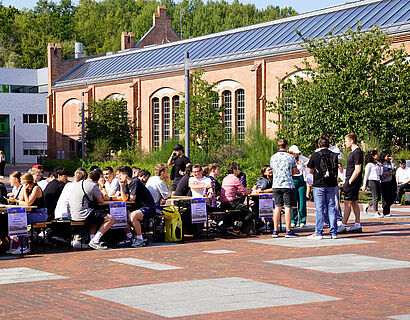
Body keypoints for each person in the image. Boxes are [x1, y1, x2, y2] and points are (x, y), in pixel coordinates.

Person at [69, 170, 114, 250]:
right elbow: (101, 200)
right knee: (110, 219)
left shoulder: (79, 183)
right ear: (96, 181)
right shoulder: (93, 185)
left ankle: (92, 239)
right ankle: (95, 241)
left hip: (73, 213)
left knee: (96, 217)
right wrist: (102, 185)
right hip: (83, 213)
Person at [307, 136, 339, 239]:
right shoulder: (334, 155)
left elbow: (310, 169)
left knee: (319, 209)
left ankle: (319, 232)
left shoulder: (315, 155)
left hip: (319, 184)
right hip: (331, 184)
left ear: (319, 145)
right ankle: (334, 233)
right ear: (329, 144)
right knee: (331, 208)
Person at [118, 165, 156, 247]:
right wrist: (121, 186)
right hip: (137, 208)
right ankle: (130, 237)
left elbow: (132, 199)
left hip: (148, 207)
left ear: (125, 175)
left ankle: (140, 239)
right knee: (121, 213)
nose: (118, 177)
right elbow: (124, 198)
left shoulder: (135, 182)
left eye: (120, 175)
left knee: (133, 216)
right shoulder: (125, 184)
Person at [270, 139, 298, 238]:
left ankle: (275, 230)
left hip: (276, 184)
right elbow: (295, 170)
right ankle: (288, 230)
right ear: (286, 146)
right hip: (287, 184)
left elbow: (272, 170)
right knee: (287, 207)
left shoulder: (273, 157)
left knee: (277, 207)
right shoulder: (290, 157)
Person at [338, 134, 363, 233]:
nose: (345, 143)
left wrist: (349, 181)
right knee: (354, 202)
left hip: (353, 181)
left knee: (347, 203)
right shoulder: (354, 152)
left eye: (346, 141)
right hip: (352, 180)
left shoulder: (357, 153)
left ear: (351, 141)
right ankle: (357, 224)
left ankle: (343, 225)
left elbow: (357, 169)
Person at [220, 162, 255, 235]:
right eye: (238, 168)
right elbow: (245, 192)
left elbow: (233, 191)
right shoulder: (235, 179)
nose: (239, 170)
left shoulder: (225, 178)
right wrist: (250, 190)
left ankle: (230, 227)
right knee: (250, 213)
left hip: (223, 203)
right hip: (231, 203)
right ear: (234, 170)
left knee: (239, 211)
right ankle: (238, 228)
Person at [289, 145, 308, 228]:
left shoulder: (301, 158)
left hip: (301, 180)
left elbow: (309, 161)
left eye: (297, 153)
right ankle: (293, 220)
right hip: (292, 179)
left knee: (302, 201)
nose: (296, 155)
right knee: (293, 201)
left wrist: (306, 165)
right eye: (294, 153)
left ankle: (302, 220)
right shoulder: (289, 158)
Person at [361, 151, 382, 217]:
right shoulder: (369, 165)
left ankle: (367, 205)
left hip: (378, 181)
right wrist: (364, 185)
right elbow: (366, 175)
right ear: (373, 156)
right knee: (375, 197)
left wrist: (381, 166)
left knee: (378, 198)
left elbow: (380, 173)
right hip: (371, 181)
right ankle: (376, 212)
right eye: (376, 155)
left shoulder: (377, 164)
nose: (378, 156)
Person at [379, 151, 397, 217]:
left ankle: (385, 206)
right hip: (384, 181)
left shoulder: (390, 163)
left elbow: (395, 169)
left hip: (391, 181)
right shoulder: (381, 163)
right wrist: (385, 174)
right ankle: (386, 212)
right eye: (387, 156)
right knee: (385, 197)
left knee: (393, 196)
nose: (388, 157)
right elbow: (379, 173)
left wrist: (392, 162)